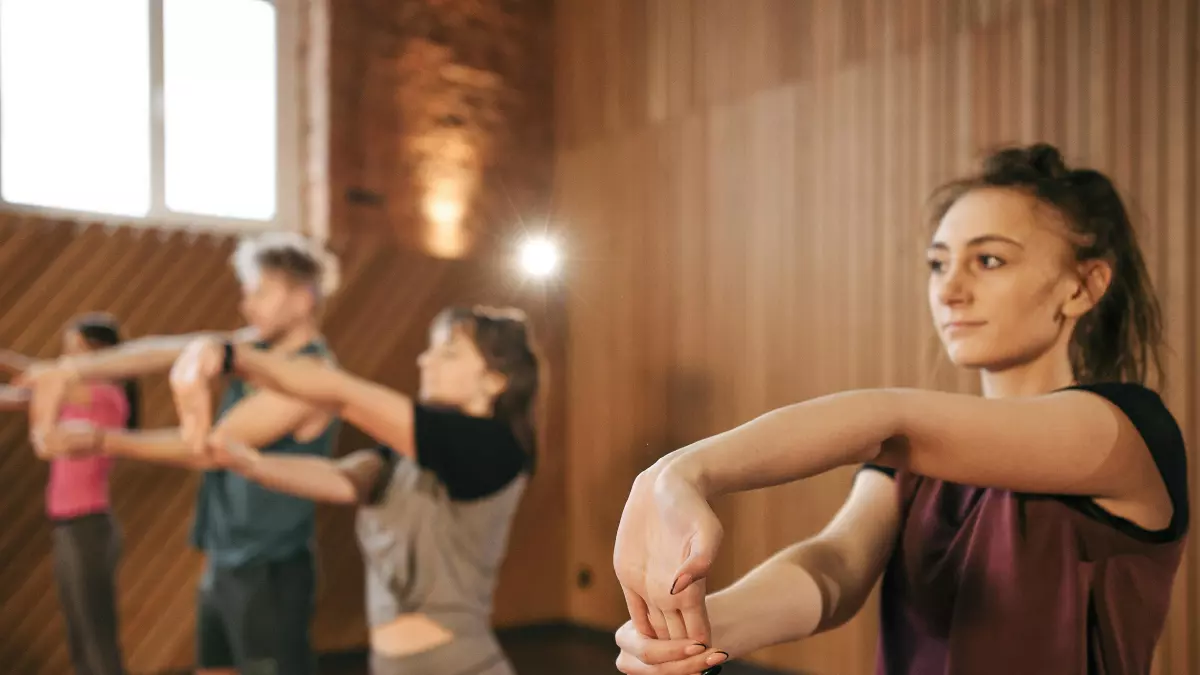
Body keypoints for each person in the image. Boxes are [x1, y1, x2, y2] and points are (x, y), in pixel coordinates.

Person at [609, 144, 1190, 675]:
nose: (949, 290)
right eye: (938, 263)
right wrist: (693, 634)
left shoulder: (1128, 428)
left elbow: (888, 420)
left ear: (1084, 286)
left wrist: (679, 473)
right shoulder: (916, 460)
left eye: (989, 261)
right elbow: (836, 566)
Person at [25, 232, 342, 675]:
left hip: (269, 569)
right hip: (224, 559)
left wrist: (100, 439)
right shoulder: (252, 347)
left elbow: (213, 447)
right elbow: (159, 350)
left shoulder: (312, 374)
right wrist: (71, 367)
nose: (247, 305)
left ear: (303, 299)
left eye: (260, 292)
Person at [162, 305, 540, 675]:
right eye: (431, 349)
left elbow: (342, 395)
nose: (426, 360)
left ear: (495, 380)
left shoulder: (494, 448)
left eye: (449, 353)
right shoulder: (407, 454)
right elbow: (340, 478)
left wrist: (228, 354)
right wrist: (249, 463)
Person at [1, 314, 138, 675]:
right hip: (68, 527)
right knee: (80, 639)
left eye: (73, 349)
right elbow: (15, 396)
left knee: (97, 640)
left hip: (88, 527)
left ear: (102, 353)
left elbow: (43, 376)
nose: (65, 358)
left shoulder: (103, 394)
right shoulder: (65, 394)